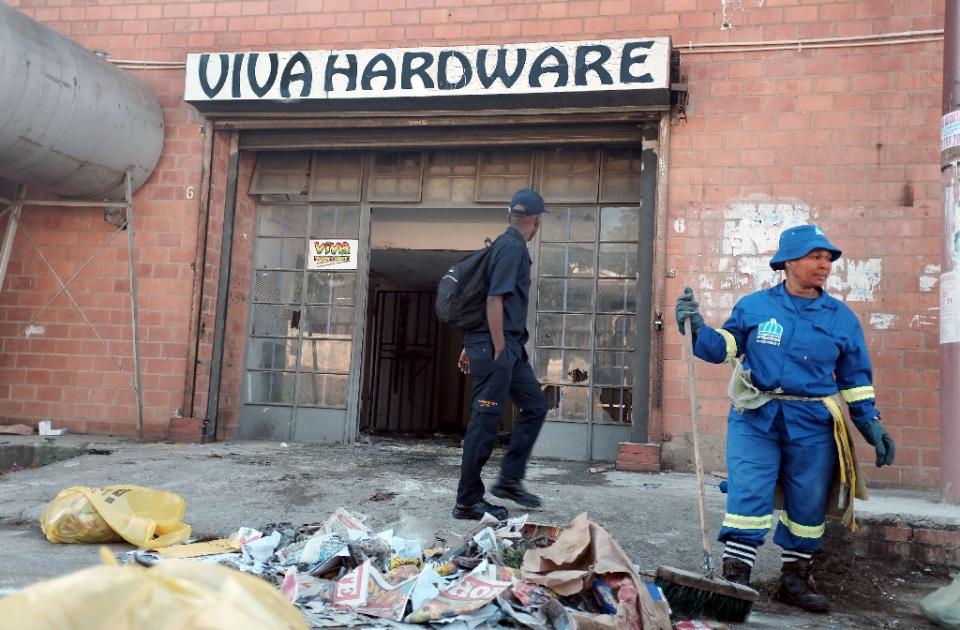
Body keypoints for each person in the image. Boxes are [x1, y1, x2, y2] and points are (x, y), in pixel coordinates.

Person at [674, 224, 896, 613]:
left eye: (828, 258)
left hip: (813, 421)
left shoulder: (841, 319)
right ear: (790, 262)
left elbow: (855, 380)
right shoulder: (755, 306)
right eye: (815, 256)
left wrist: (870, 423)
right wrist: (696, 329)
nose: (824, 265)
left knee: (807, 501)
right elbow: (724, 347)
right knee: (749, 490)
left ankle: (794, 579)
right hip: (755, 415)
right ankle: (735, 578)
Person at [452, 188, 549, 521]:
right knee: (484, 423)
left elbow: (485, 300)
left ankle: (509, 479)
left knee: (535, 405)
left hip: (507, 347)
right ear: (536, 221)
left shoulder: (505, 246)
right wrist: (496, 348)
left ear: (512, 216)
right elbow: (494, 299)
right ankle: (467, 501)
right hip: (499, 346)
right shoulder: (511, 248)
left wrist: (478, 345)